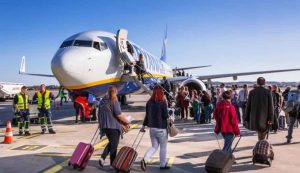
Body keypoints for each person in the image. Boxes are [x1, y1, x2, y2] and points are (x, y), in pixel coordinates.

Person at [98, 86, 130, 169]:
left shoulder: (103, 101)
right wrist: (127, 121)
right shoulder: (114, 100)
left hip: (105, 126)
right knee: (114, 146)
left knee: (111, 143)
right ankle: (112, 164)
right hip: (113, 127)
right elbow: (118, 114)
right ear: (115, 92)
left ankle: (102, 158)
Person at [140, 86, 170, 171]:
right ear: (161, 93)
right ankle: (162, 165)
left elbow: (147, 116)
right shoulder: (162, 102)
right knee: (163, 147)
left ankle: (144, 159)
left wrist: (143, 126)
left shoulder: (149, 103)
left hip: (152, 129)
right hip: (161, 128)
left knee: (154, 146)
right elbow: (165, 116)